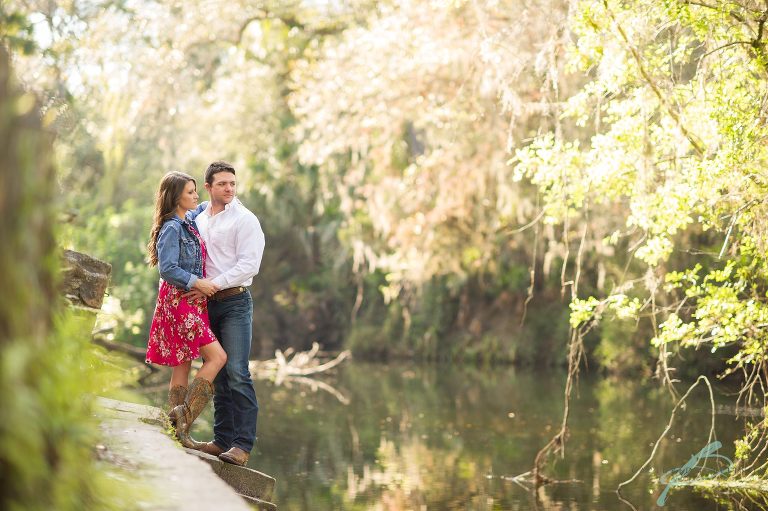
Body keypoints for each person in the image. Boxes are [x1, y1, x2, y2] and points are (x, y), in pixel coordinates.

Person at [184, 161, 265, 466]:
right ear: (209, 187)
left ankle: (242, 446)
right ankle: (221, 441)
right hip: (207, 304)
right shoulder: (200, 216)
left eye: (232, 183)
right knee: (217, 372)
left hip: (234, 302)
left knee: (237, 373)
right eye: (222, 184)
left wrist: (212, 285)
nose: (229, 189)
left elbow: (249, 266)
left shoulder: (245, 220)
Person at [145, 171, 228, 449]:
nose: (196, 196)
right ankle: (183, 423)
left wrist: (225, 195)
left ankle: (173, 431)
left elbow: (207, 205)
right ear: (175, 197)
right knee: (217, 358)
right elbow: (167, 269)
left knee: (183, 362)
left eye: (196, 191)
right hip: (180, 302)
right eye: (191, 192)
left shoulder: (188, 219)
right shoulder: (172, 227)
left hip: (189, 302)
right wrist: (199, 283)